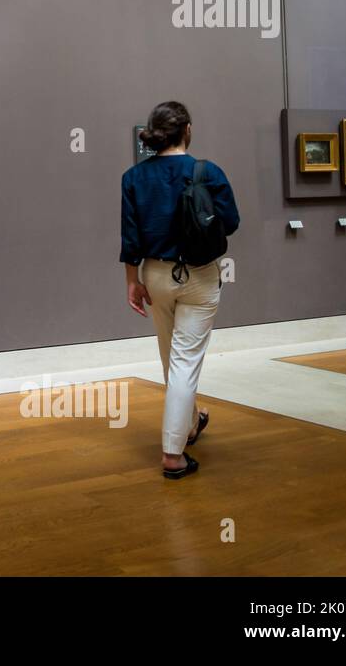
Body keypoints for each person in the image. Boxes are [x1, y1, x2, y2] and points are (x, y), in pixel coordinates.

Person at [120, 101, 240, 480]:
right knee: (185, 361)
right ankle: (173, 455)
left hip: (154, 274)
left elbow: (130, 237)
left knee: (171, 357)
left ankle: (190, 423)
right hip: (200, 275)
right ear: (187, 130)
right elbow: (232, 223)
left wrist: (132, 281)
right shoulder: (209, 171)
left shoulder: (133, 177)